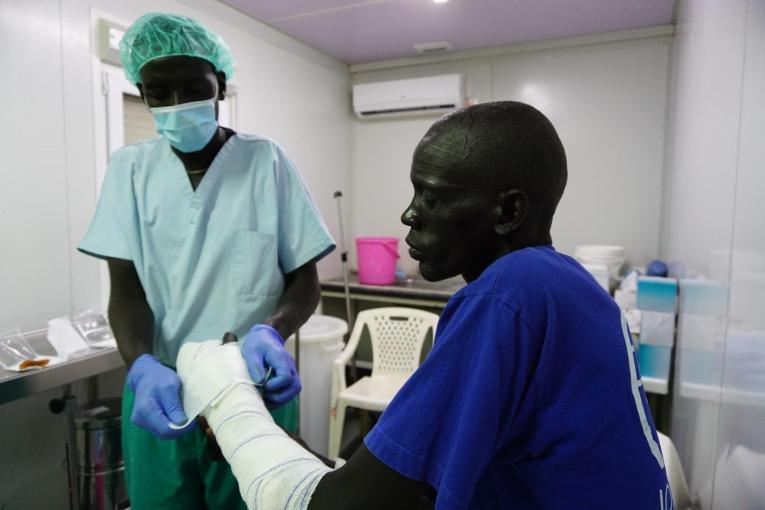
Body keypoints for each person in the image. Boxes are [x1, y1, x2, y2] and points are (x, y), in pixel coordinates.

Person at [174, 101, 673, 509]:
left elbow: (328, 509)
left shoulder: (507, 295)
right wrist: (294, 451)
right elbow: (402, 490)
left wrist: (233, 408)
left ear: (508, 212)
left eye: (431, 197)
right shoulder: (571, 287)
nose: (409, 213)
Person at [77, 12, 335, 510]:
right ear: (142, 91)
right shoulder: (129, 171)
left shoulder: (267, 162)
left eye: (194, 87)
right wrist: (142, 365)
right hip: (164, 390)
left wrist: (272, 331)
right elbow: (126, 291)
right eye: (158, 92)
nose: (177, 105)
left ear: (220, 84)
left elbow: (304, 281)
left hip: (251, 388)